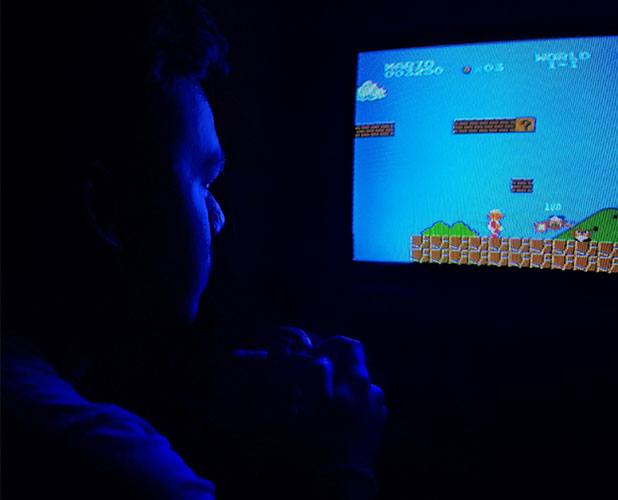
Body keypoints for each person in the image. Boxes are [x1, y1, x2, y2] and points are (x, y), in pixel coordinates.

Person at [1, 1, 386, 498]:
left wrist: (214, 399)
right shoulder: (112, 462)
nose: (218, 219)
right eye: (203, 181)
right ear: (105, 208)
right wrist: (345, 461)